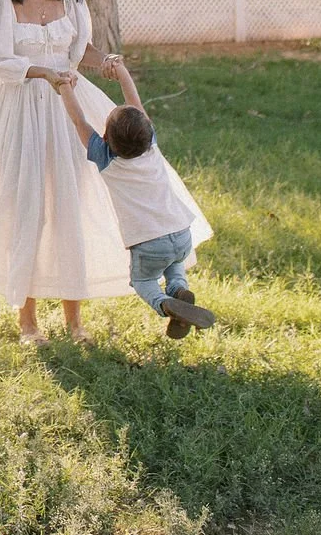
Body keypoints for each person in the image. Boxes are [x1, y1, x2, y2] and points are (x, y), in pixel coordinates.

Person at [0, 0, 211, 343]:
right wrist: (44, 73)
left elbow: (79, 50)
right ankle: (27, 322)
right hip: (21, 109)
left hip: (71, 104)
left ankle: (74, 320)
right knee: (27, 208)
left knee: (71, 204)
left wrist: (107, 63)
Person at [52, 55, 218, 338]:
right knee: (174, 262)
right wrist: (121, 70)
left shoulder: (107, 159)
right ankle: (178, 288)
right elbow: (134, 102)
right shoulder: (150, 146)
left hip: (147, 241)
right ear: (146, 128)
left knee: (143, 281)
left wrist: (65, 87)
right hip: (180, 232)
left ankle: (164, 303)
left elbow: (79, 121)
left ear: (105, 139)